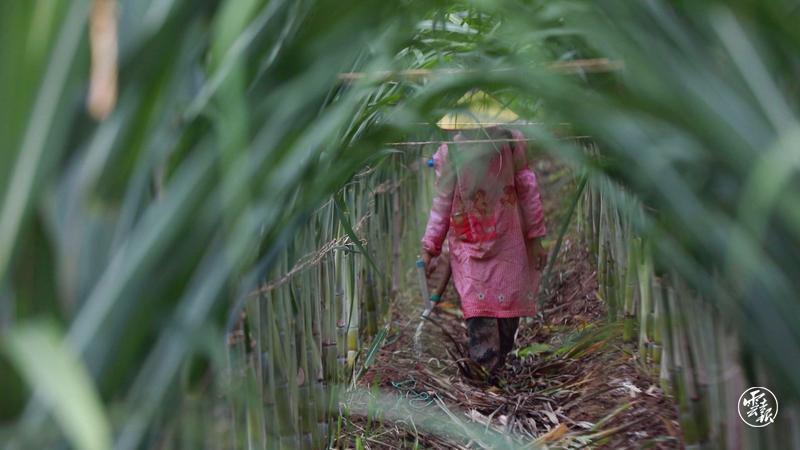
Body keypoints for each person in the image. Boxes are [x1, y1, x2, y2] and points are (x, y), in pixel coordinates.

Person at [421, 117, 547, 376]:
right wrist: (430, 246)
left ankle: (498, 366)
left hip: (508, 243)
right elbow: (443, 202)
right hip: (468, 245)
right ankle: (485, 371)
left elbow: (527, 189)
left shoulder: (512, 144)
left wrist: (535, 238)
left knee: (507, 315)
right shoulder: (450, 153)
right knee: (479, 314)